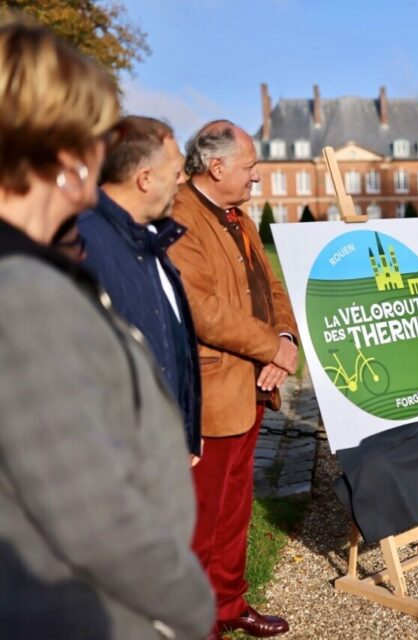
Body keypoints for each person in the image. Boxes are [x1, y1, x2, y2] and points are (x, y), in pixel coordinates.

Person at [0, 20, 214, 639]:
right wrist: (188, 604)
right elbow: (89, 515)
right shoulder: (23, 294)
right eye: (97, 135)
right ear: (68, 154)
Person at [169, 120, 298, 637]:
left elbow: (271, 284)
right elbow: (201, 310)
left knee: (236, 509)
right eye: (249, 167)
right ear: (216, 165)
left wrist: (285, 338)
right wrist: (270, 346)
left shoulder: (239, 216)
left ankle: (229, 604)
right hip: (210, 391)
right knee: (202, 517)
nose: (258, 178)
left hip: (251, 385)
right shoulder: (179, 215)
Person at [78, 116, 202, 462]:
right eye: (176, 171)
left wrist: (185, 432)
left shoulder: (150, 240)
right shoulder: (82, 244)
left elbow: (170, 346)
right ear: (144, 179)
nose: (183, 180)